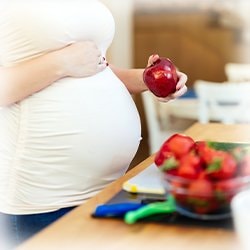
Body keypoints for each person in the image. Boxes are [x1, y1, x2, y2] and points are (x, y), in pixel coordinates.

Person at [0, 0, 187, 248]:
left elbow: (95, 67)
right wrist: (61, 63)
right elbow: (68, 64)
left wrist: (146, 79)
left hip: (109, 189)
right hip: (45, 201)